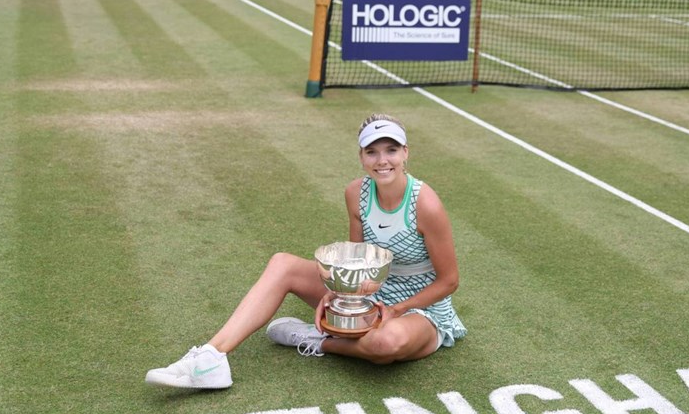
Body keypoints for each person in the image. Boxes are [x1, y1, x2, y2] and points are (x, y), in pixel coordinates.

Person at [145, 114, 467, 389]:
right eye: (372, 152)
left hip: (421, 310)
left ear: (405, 153)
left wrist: (397, 310)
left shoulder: (425, 203)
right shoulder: (356, 193)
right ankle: (212, 357)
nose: (382, 160)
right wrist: (336, 293)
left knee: (383, 343)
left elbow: (449, 281)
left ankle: (319, 341)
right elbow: (356, 260)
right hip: (372, 294)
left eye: (391, 150)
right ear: (361, 157)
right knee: (282, 264)